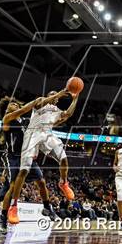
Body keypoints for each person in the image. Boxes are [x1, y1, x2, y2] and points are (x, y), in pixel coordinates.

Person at [7, 89, 79, 224]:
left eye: (56, 96)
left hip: (47, 134)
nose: (54, 97)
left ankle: (63, 182)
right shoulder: (40, 101)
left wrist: (75, 98)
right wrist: (62, 91)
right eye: (52, 95)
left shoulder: (56, 111)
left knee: (63, 158)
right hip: (32, 135)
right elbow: (42, 102)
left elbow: (68, 114)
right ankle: (14, 206)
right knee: (23, 171)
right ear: (48, 96)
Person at [0, 96, 58, 234]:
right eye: (12, 104)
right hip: (13, 157)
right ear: (6, 108)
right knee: (12, 187)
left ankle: (47, 207)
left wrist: (52, 102)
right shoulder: (7, 119)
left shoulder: (25, 121)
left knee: (41, 181)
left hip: (27, 156)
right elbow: (25, 109)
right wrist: (36, 102)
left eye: (16, 103)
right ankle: (2, 220)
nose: (15, 105)